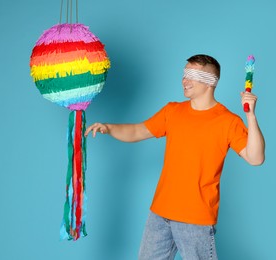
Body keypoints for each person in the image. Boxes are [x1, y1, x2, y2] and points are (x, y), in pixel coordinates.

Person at [84, 54, 265, 259]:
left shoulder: (228, 122)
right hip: (159, 214)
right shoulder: (172, 111)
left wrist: (250, 116)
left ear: (210, 81)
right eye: (184, 74)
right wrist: (109, 128)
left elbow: (255, 158)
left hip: (195, 220)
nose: (184, 80)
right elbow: (137, 131)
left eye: (191, 75)